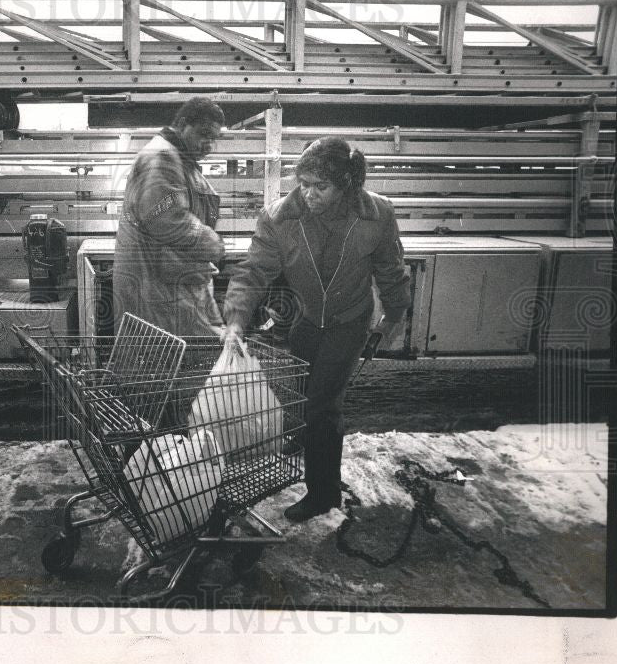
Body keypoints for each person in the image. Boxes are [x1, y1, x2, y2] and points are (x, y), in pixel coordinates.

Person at [221, 137, 411, 522]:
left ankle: (323, 493)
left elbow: (391, 270)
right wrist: (236, 319)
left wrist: (393, 315)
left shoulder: (377, 216)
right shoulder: (279, 218)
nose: (309, 193)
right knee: (306, 395)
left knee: (323, 407)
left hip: (349, 320)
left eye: (320, 186)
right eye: (304, 183)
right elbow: (254, 271)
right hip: (306, 320)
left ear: (347, 186)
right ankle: (310, 437)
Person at [112, 97, 227, 336]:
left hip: (169, 280)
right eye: (204, 134)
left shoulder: (178, 158)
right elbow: (166, 218)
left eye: (213, 139)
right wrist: (213, 243)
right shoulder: (162, 157)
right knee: (166, 362)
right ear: (183, 124)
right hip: (157, 288)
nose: (208, 145)